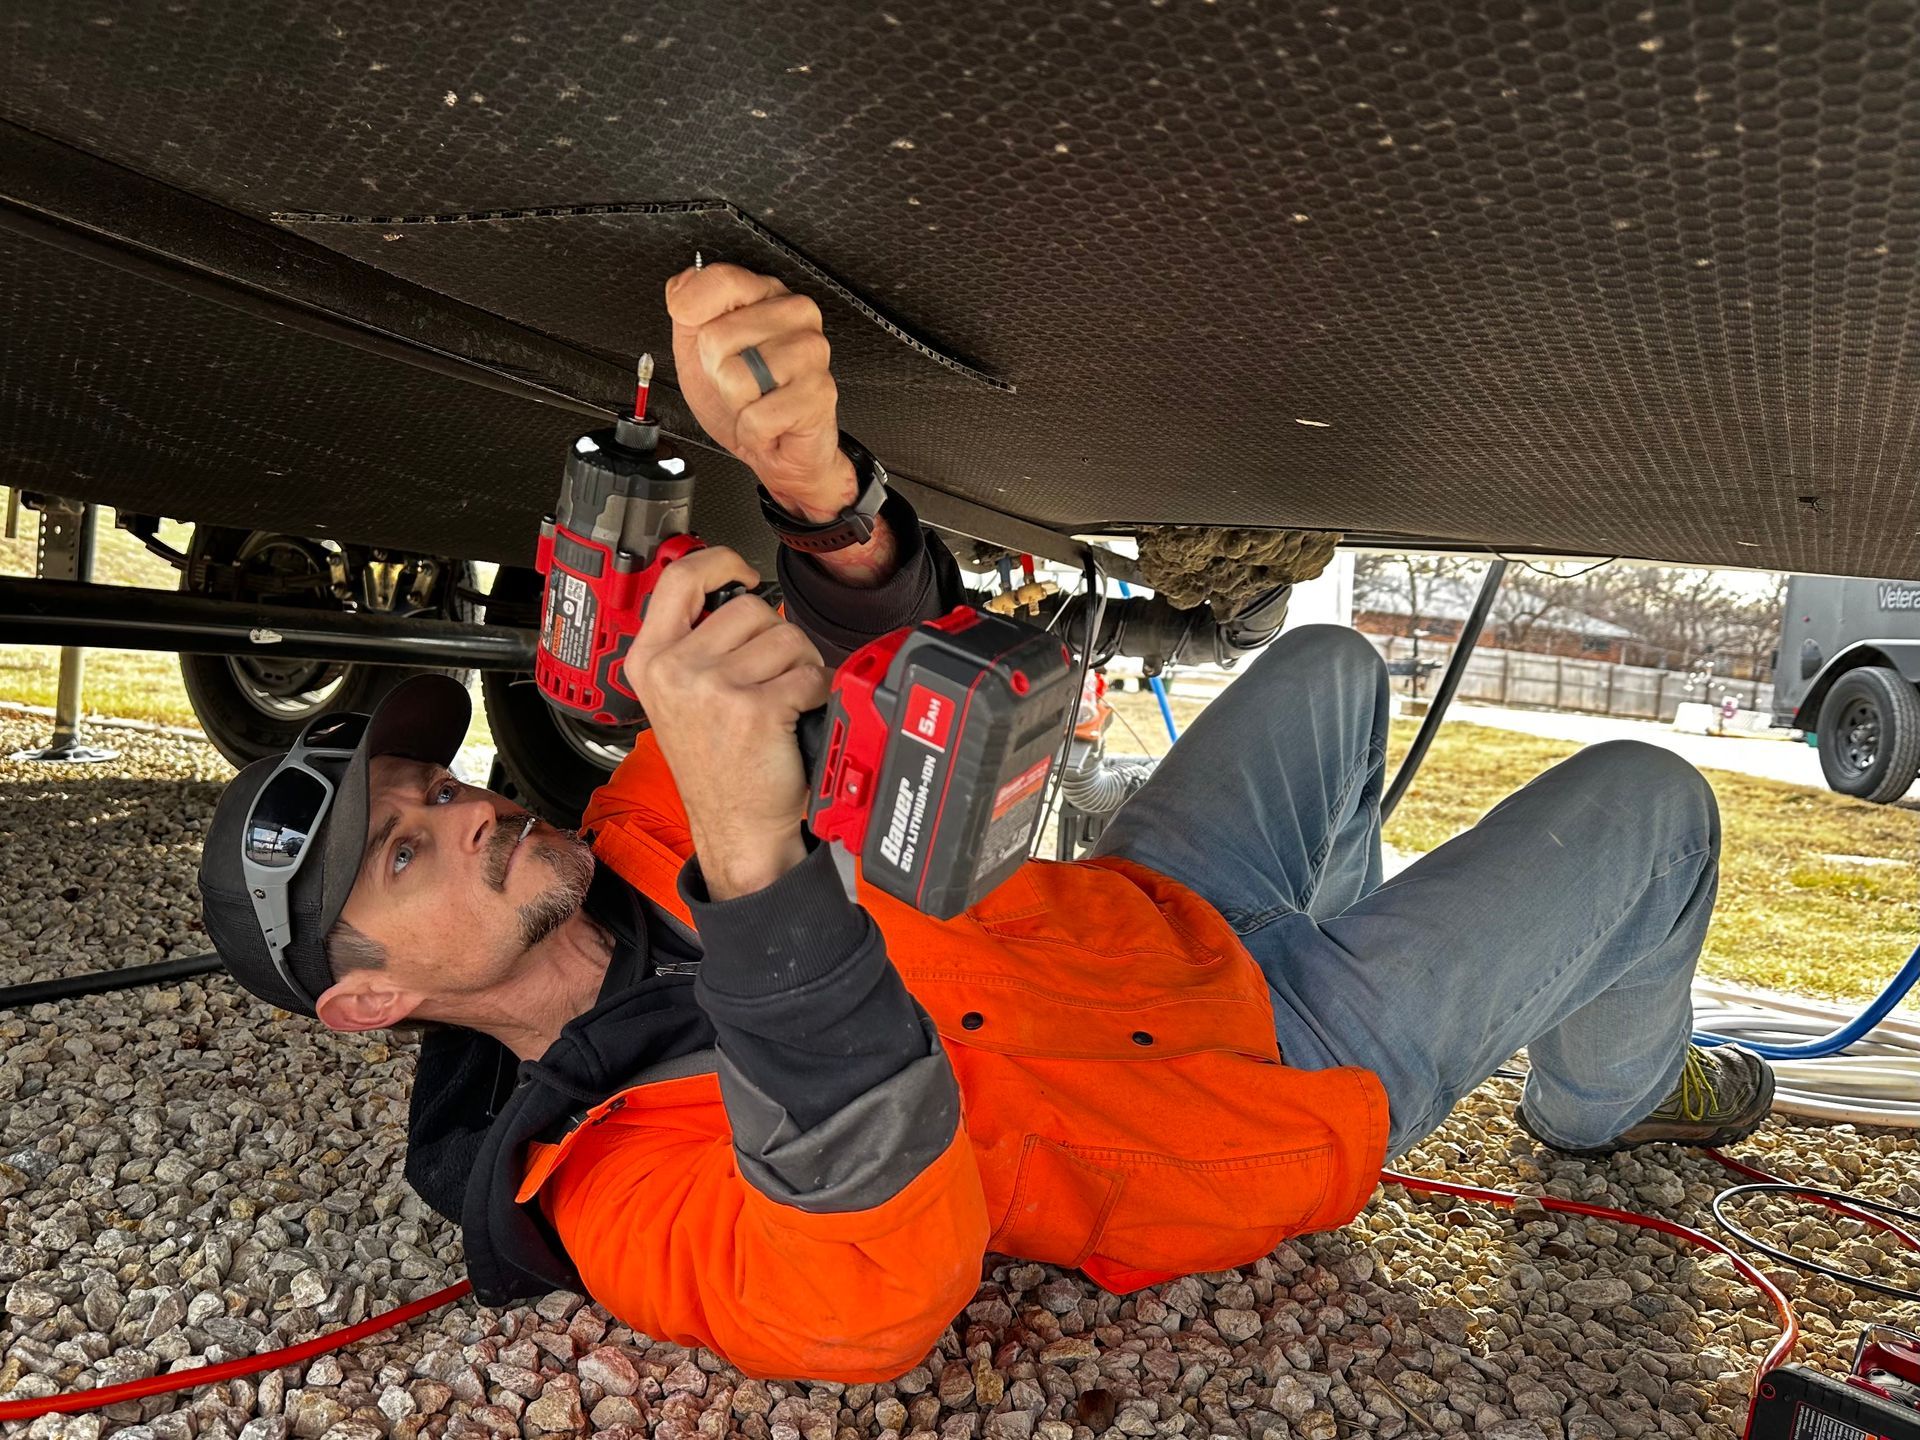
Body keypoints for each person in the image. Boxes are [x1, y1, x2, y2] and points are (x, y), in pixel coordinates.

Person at [196, 263, 1774, 1382]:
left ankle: (1385, 937)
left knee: (1332, 663)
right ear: (370, 1003)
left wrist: (824, 501)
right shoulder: (607, 1196)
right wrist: (760, 870)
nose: (468, 811)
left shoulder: (640, 808)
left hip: (1149, 913)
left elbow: (894, 691)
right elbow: (871, 1299)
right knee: (1649, 803)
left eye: (435, 787)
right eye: (406, 853)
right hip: (1256, 1077)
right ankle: (1608, 1095)